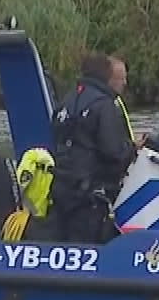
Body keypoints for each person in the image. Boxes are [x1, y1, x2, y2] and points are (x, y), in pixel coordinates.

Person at [43, 52, 137, 243]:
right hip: (90, 196)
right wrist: (133, 148)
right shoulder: (104, 105)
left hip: (62, 188)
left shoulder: (66, 102)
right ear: (106, 75)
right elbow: (113, 152)